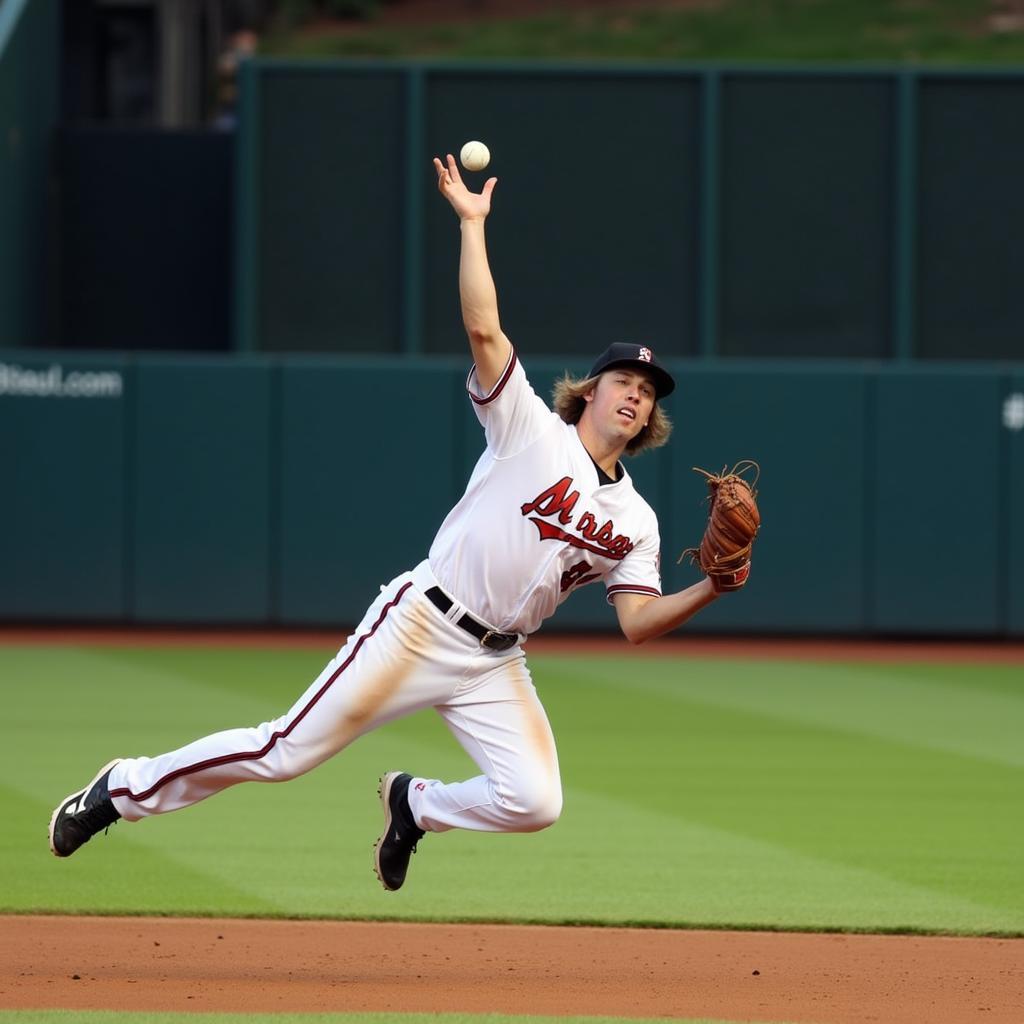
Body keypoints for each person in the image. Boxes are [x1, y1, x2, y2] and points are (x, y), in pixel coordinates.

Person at [48, 154, 742, 892]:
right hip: (420, 625)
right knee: (283, 752)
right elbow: (484, 329)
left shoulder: (636, 519)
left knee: (537, 800)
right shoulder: (530, 430)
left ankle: (415, 804)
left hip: (495, 662)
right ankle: (122, 789)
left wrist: (714, 589)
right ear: (590, 392)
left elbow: (637, 621)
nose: (634, 396)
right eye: (622, 382)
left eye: (646, 391)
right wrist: (473, 227)